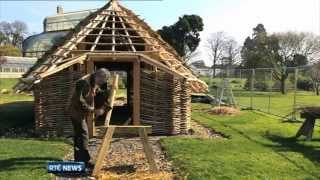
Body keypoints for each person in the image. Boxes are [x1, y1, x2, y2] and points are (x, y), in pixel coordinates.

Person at [69, 68, 111, 168]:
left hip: (80, 113)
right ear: (100, 76)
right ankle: (84, 161)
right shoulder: (84, 83)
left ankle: (79, 160)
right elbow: (78, 101)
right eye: (104, 80)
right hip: (76, 113)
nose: (104, 82)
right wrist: (92, 110)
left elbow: (97, 94)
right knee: (83, 135)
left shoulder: (93, 82)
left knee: (80, 136)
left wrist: (105, 105)